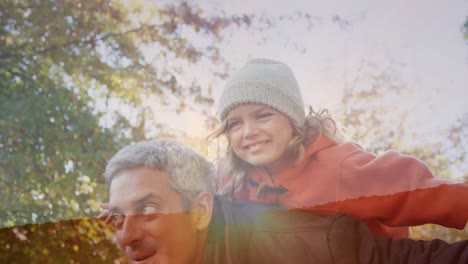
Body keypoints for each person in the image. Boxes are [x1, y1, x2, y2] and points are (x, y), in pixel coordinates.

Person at [208, 58, 468, 239]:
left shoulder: (338, 169)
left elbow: (417, 190)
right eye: (234, 124)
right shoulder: (232, 180)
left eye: (263, 115)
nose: (248, 131)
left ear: (293, 121)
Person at [103, 139, 468, 264]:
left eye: (149, 208)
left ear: (200, 210)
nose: (128, 236)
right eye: (119, 217)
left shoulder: (309, 243)